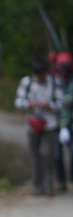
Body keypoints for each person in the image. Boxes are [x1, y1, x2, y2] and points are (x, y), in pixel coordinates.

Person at [14, 57, 65, 196]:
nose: (39, 77)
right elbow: (18, 101)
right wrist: (29, 104)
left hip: (50, 124)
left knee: (46, 153)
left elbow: (62, 102)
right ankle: (37, 186)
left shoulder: (54, 82)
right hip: (32, 124)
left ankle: (49, 185)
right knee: (34, 156)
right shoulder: (27, 82)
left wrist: (50, 106)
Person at [52, 51, 72, 191]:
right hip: (55, 123)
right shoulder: (53, 81)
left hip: (70, 123)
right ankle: (61, 181)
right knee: (57, 156)